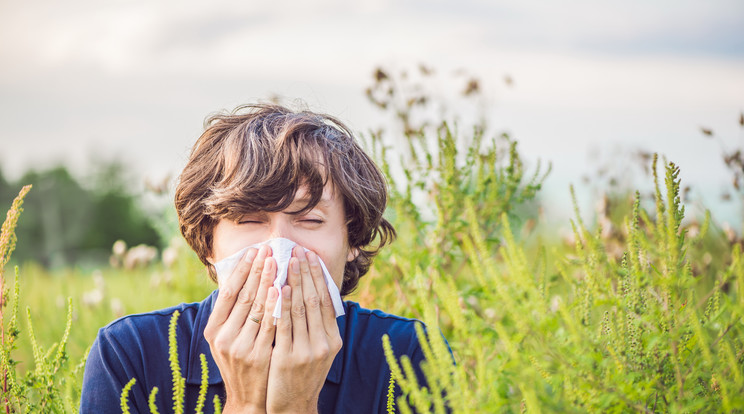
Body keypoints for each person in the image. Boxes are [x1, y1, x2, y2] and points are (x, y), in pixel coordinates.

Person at [80, 104, 438, 413]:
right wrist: (246, 405)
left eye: (310, 220)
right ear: (208, 241)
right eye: (249, 220)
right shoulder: (132, 355)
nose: (278, 247)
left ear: (353, 240)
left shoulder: (407, 356)